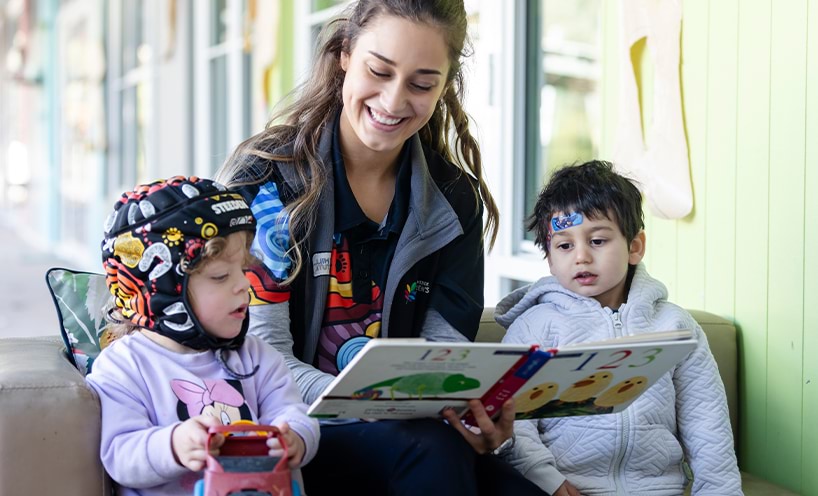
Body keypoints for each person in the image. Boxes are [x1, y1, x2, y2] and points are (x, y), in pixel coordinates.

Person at [216, 1, 546, 494]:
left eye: (421, 83)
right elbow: (264, 357)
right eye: (379, 70)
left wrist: (472, 416)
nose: (393, 101)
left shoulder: (452, 199)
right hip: (292, 430)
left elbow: (443, 353)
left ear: (445, 87)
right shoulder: (266, 181)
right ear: (345, 54)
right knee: (430, 451)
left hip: (412, 433)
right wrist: (371, 407)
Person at [494, 160, 741, 495]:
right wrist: (547, 480)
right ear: (550, 259)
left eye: (597, 241)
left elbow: (708, 425)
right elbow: (513, 424)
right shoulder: (533, 328)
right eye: (564, 246)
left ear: (634, 247)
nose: (580, 256)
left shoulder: (676, 326)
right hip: (561, 488)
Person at [85, 176, 320, 495]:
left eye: (244, 269)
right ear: (163, 290)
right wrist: (173, 444)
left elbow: (293, 411)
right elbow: (120, 453)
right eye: (221, 276)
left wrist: (296, 436)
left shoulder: (257, 357)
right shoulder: (124, 366)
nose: (244, 284)